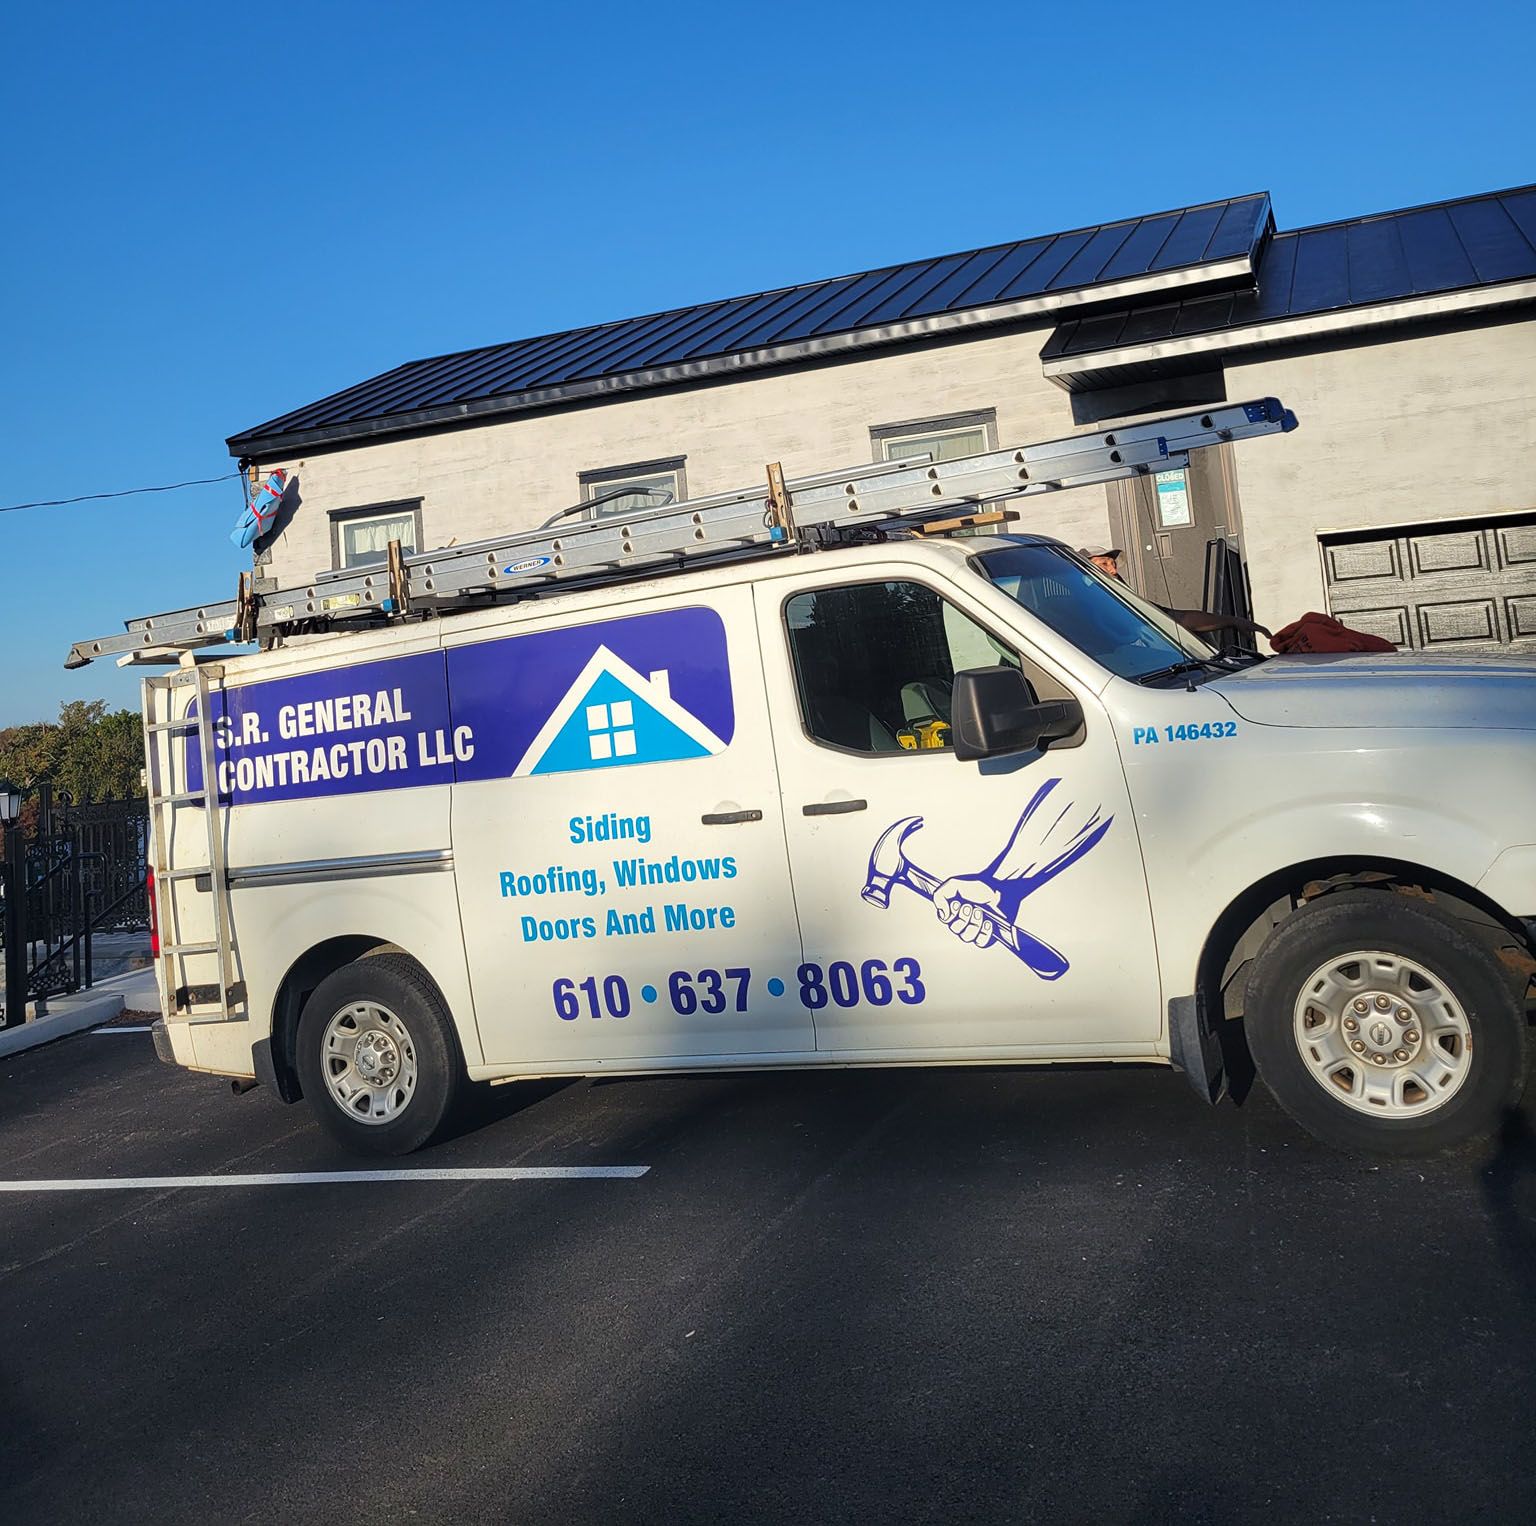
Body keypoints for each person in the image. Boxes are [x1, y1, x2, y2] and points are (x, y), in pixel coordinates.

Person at [1077, 544, 1270, 642]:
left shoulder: (1121, 598)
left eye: (1114, 564)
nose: (1113, 570)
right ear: (1084, 569)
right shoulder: (1083, 604)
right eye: (1104, 564)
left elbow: (1173, 618)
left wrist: (1233, 621)